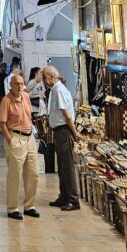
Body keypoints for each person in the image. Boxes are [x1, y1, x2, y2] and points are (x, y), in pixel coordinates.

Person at [0, 72, 40, 220]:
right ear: (11, 85)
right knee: (15, 175)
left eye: (22, 84)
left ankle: (29, 206)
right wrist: (10, 140)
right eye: (16, 84)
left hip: (29, 138)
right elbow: (2, 123)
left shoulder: (26, 97)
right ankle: (12, 208)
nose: (20, 86)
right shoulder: (6, 100)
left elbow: (29, 116)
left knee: (33, 174)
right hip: (15, 137)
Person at [43, 65, 80, 210]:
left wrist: (75, 133)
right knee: (62, 166)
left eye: (46, 78)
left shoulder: (59, 91)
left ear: (51, 77)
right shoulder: (55, 90)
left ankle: (73, 199)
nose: (45, 81)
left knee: (67, 166)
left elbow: (67, 115)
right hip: (59, 131)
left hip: (64, 131)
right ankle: (64, 196)